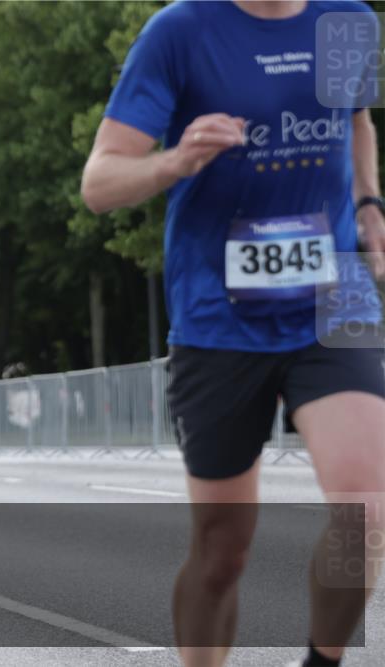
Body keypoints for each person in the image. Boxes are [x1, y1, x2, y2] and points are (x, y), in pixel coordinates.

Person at [81, 2, 385, 666]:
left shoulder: (348, 20)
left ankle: (321, 660)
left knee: (366, 511)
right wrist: (175, 161)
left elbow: (357, 120)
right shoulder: (180, 32)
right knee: (223, 548)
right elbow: (99, 183)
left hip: (333, 297)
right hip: (219, 316)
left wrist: (368, 203)